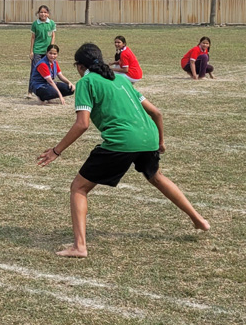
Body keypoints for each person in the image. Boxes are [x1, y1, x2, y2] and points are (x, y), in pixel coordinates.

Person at [37, 43, 210, 258]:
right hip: (149, 136)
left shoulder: (86, 82)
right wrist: (161, 142)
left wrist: (56, 150)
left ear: (80, 66)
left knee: (79, 188)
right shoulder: (121, 80)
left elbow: (82, 124)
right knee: (156, 177)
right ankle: (198, 219)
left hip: (122, 141)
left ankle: (79, 247)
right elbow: (156, 113)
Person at [28, 5, 57, 98]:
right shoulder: (35, 24)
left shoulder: (51, 23)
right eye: (41, 12)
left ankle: (46, 90)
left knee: (48, 71)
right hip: (37, 50)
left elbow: (53, 36)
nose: (43, 14)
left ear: (48, 14)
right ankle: (30, 91)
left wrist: (51, 49)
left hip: (47, 52)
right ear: (38, 13)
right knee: (35, 70)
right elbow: (33, 38)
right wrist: (31, 51)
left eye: (45, 12)